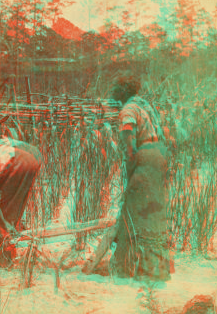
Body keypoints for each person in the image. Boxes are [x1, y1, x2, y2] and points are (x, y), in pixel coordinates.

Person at [82, 74, 174, 283]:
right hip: (159, 155)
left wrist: (132, 154)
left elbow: (127, 129)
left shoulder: (129, 109)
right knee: (151, 211)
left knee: (130, 213)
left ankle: (124, 268)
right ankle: (155, 269)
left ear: (123, 93)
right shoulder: (144, 105)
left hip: (145, 156)